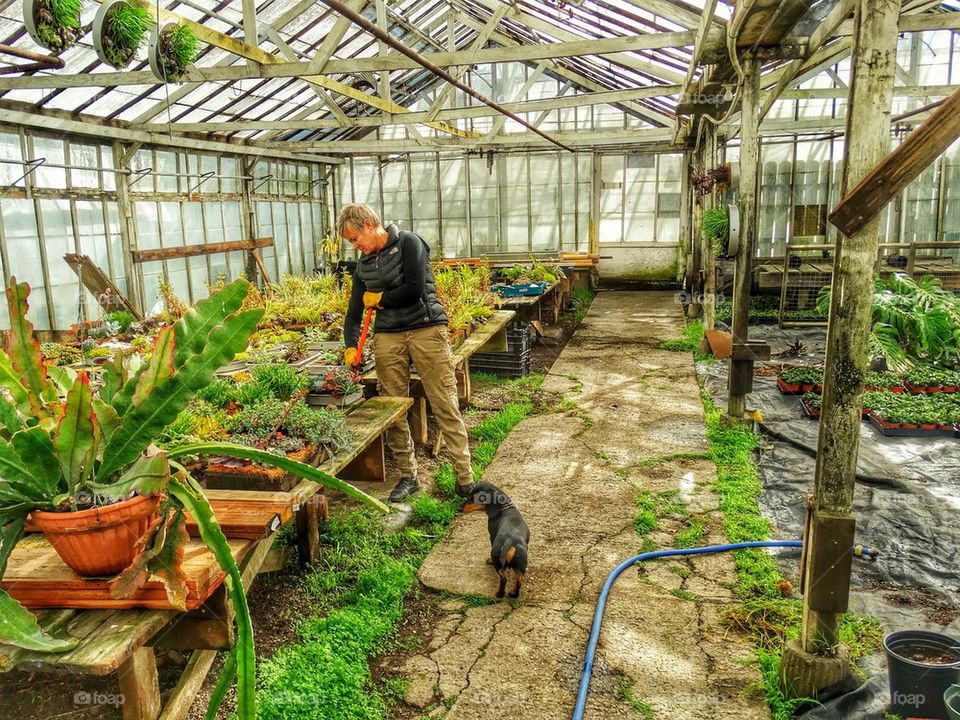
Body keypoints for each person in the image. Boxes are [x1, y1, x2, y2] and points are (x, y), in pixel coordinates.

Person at [339, 203, 474, 502]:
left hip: (426, 328)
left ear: (368, 224)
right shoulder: (363, 265)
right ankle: (408, 476)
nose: (355, 246)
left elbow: (415, 289)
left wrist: (382, 299)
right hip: (388, 336)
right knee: (393, 405)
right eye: (351, 243)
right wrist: (350, 346)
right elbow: (353, 314)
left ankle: (465, 479)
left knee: (444, 401)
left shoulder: (409, 243)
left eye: (354, 238)